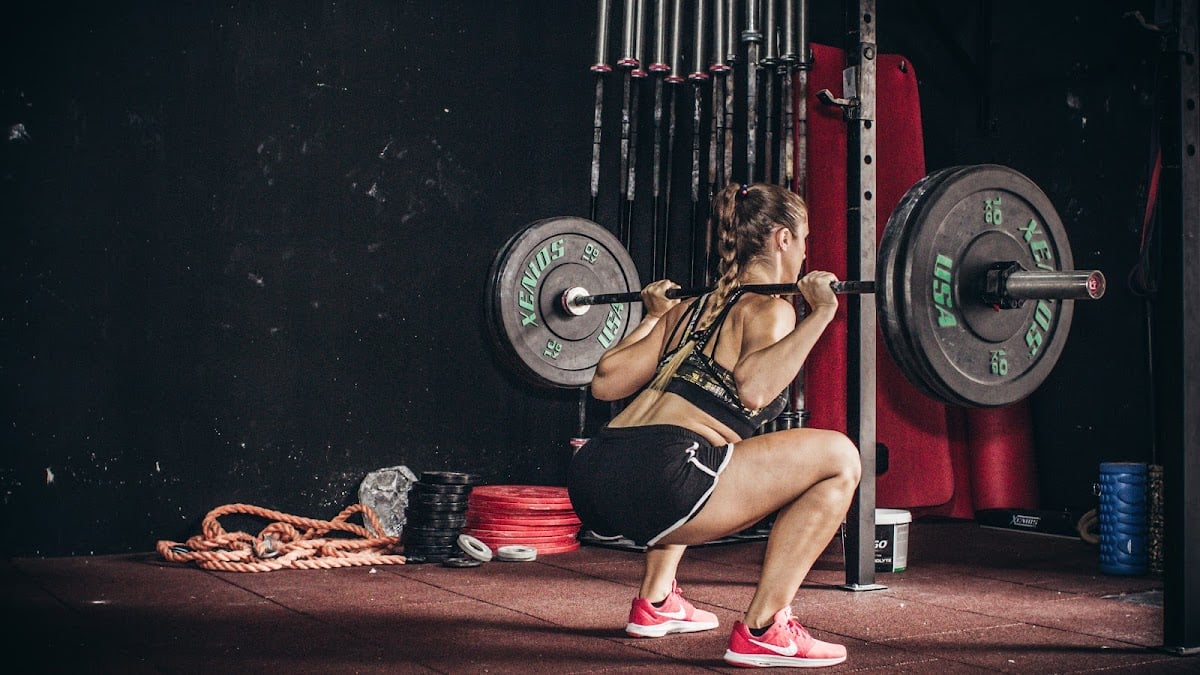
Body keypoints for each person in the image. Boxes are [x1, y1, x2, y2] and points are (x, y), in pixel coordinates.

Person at [567, 182, 862, 668]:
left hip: (594, 474)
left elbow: (605, 382)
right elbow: (755, 389)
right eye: (805, 238)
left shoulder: (686, 309)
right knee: (840, 458)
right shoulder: (771, 308)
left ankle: (656, 601)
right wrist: (823, 312)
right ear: (783, 239)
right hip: (662, 477)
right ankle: (766, 628)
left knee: (703, 452)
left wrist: (652, 317)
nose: (808, 250)